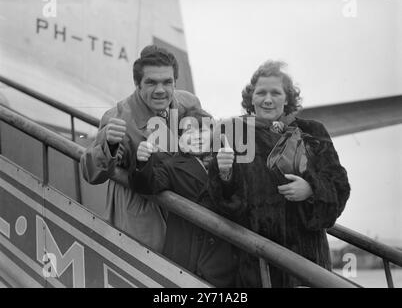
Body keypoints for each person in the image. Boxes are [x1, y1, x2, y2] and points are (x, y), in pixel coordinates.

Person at [208, 60, 351, 287]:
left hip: (309, 263)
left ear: (287, 98)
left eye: (276, 92)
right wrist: (224, 174)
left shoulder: (313, 131)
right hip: (257, 264)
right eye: (261, 92)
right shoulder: (232, 133)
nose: (267, 99)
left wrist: (311, 190)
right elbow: (224, 207)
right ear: (251, 98)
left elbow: (340, 187)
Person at [80, 45, 201, 252]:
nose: (161, 90)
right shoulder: (119, 117)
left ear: (175, 81)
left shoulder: (188, 103)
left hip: (180, 218)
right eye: (151, 82)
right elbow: (91, 173)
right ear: (137, 84)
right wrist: (109, 145)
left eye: (167, 82)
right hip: (140, 222)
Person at [129, 108, 238, 287]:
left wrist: (226, 173)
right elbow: (147, 185)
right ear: (179, 139)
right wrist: (142, 161)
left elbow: (236, 202)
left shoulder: (228, 160)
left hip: (221, 262)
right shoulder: (171, 166)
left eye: (202, 130)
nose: (195, 136)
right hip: (186, 260)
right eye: (188, 131)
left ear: (214, 135)